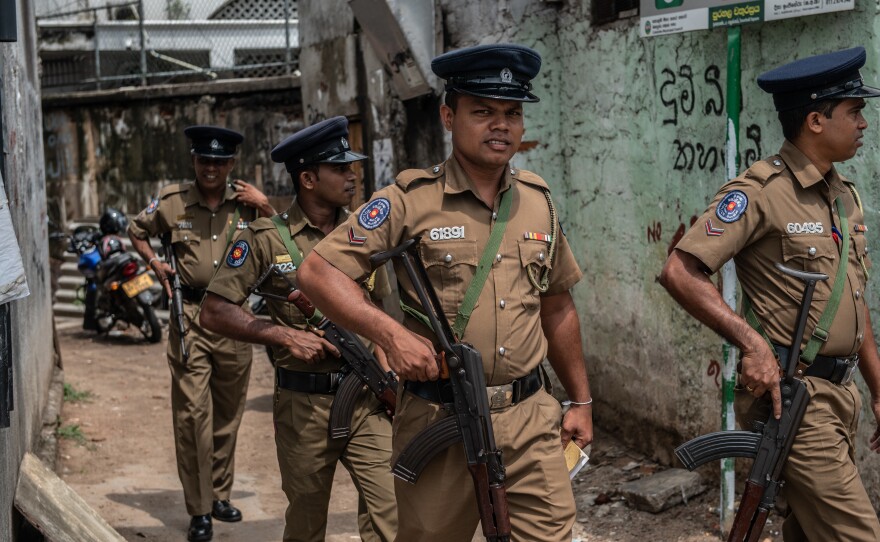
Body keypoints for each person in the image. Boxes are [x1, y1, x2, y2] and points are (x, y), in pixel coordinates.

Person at [295, 44, 594, 541]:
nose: (501, 125)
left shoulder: (540, 204)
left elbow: (558, 304)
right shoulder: (410, 201)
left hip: (529, 419)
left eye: (512, 113)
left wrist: (581, 400)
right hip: (439, 417)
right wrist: (391, 336)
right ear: (449, 116)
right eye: (483, 112)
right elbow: (318, 272)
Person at [660, 47, 880, 541]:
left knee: (807, 532)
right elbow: (680, 270)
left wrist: (878, 388)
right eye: (855, 111)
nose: (864, 122)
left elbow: (854, 299)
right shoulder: (759, 192)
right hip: (795, 398)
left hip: (842, 397)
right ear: (817, 120)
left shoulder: (844, 196)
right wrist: (751, 343)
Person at [198, 116, 398, 542]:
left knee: (392, 517)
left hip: (367, 398)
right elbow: (214, 311)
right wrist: (280, 334)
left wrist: (389, 382)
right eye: (340, 168)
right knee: (307, 522)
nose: (352, 175)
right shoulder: (265, 238)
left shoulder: (363, 233)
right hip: (304, 407)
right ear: (308, 178)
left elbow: (378, 310)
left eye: (352, 167)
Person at [127, 125, 275, 542]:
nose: (211, 168)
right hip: (189, 316)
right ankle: (199, 509)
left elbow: (283, 238)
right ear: (194, 161)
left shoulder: (247, 204)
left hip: (234, 318)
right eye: (204, 160)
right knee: (193, 416)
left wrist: (265, 206)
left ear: (232, 164)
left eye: (220, 161)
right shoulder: (173, 202)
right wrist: (155, 264)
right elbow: (137, 230)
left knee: (228, 415)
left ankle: (220, 495)